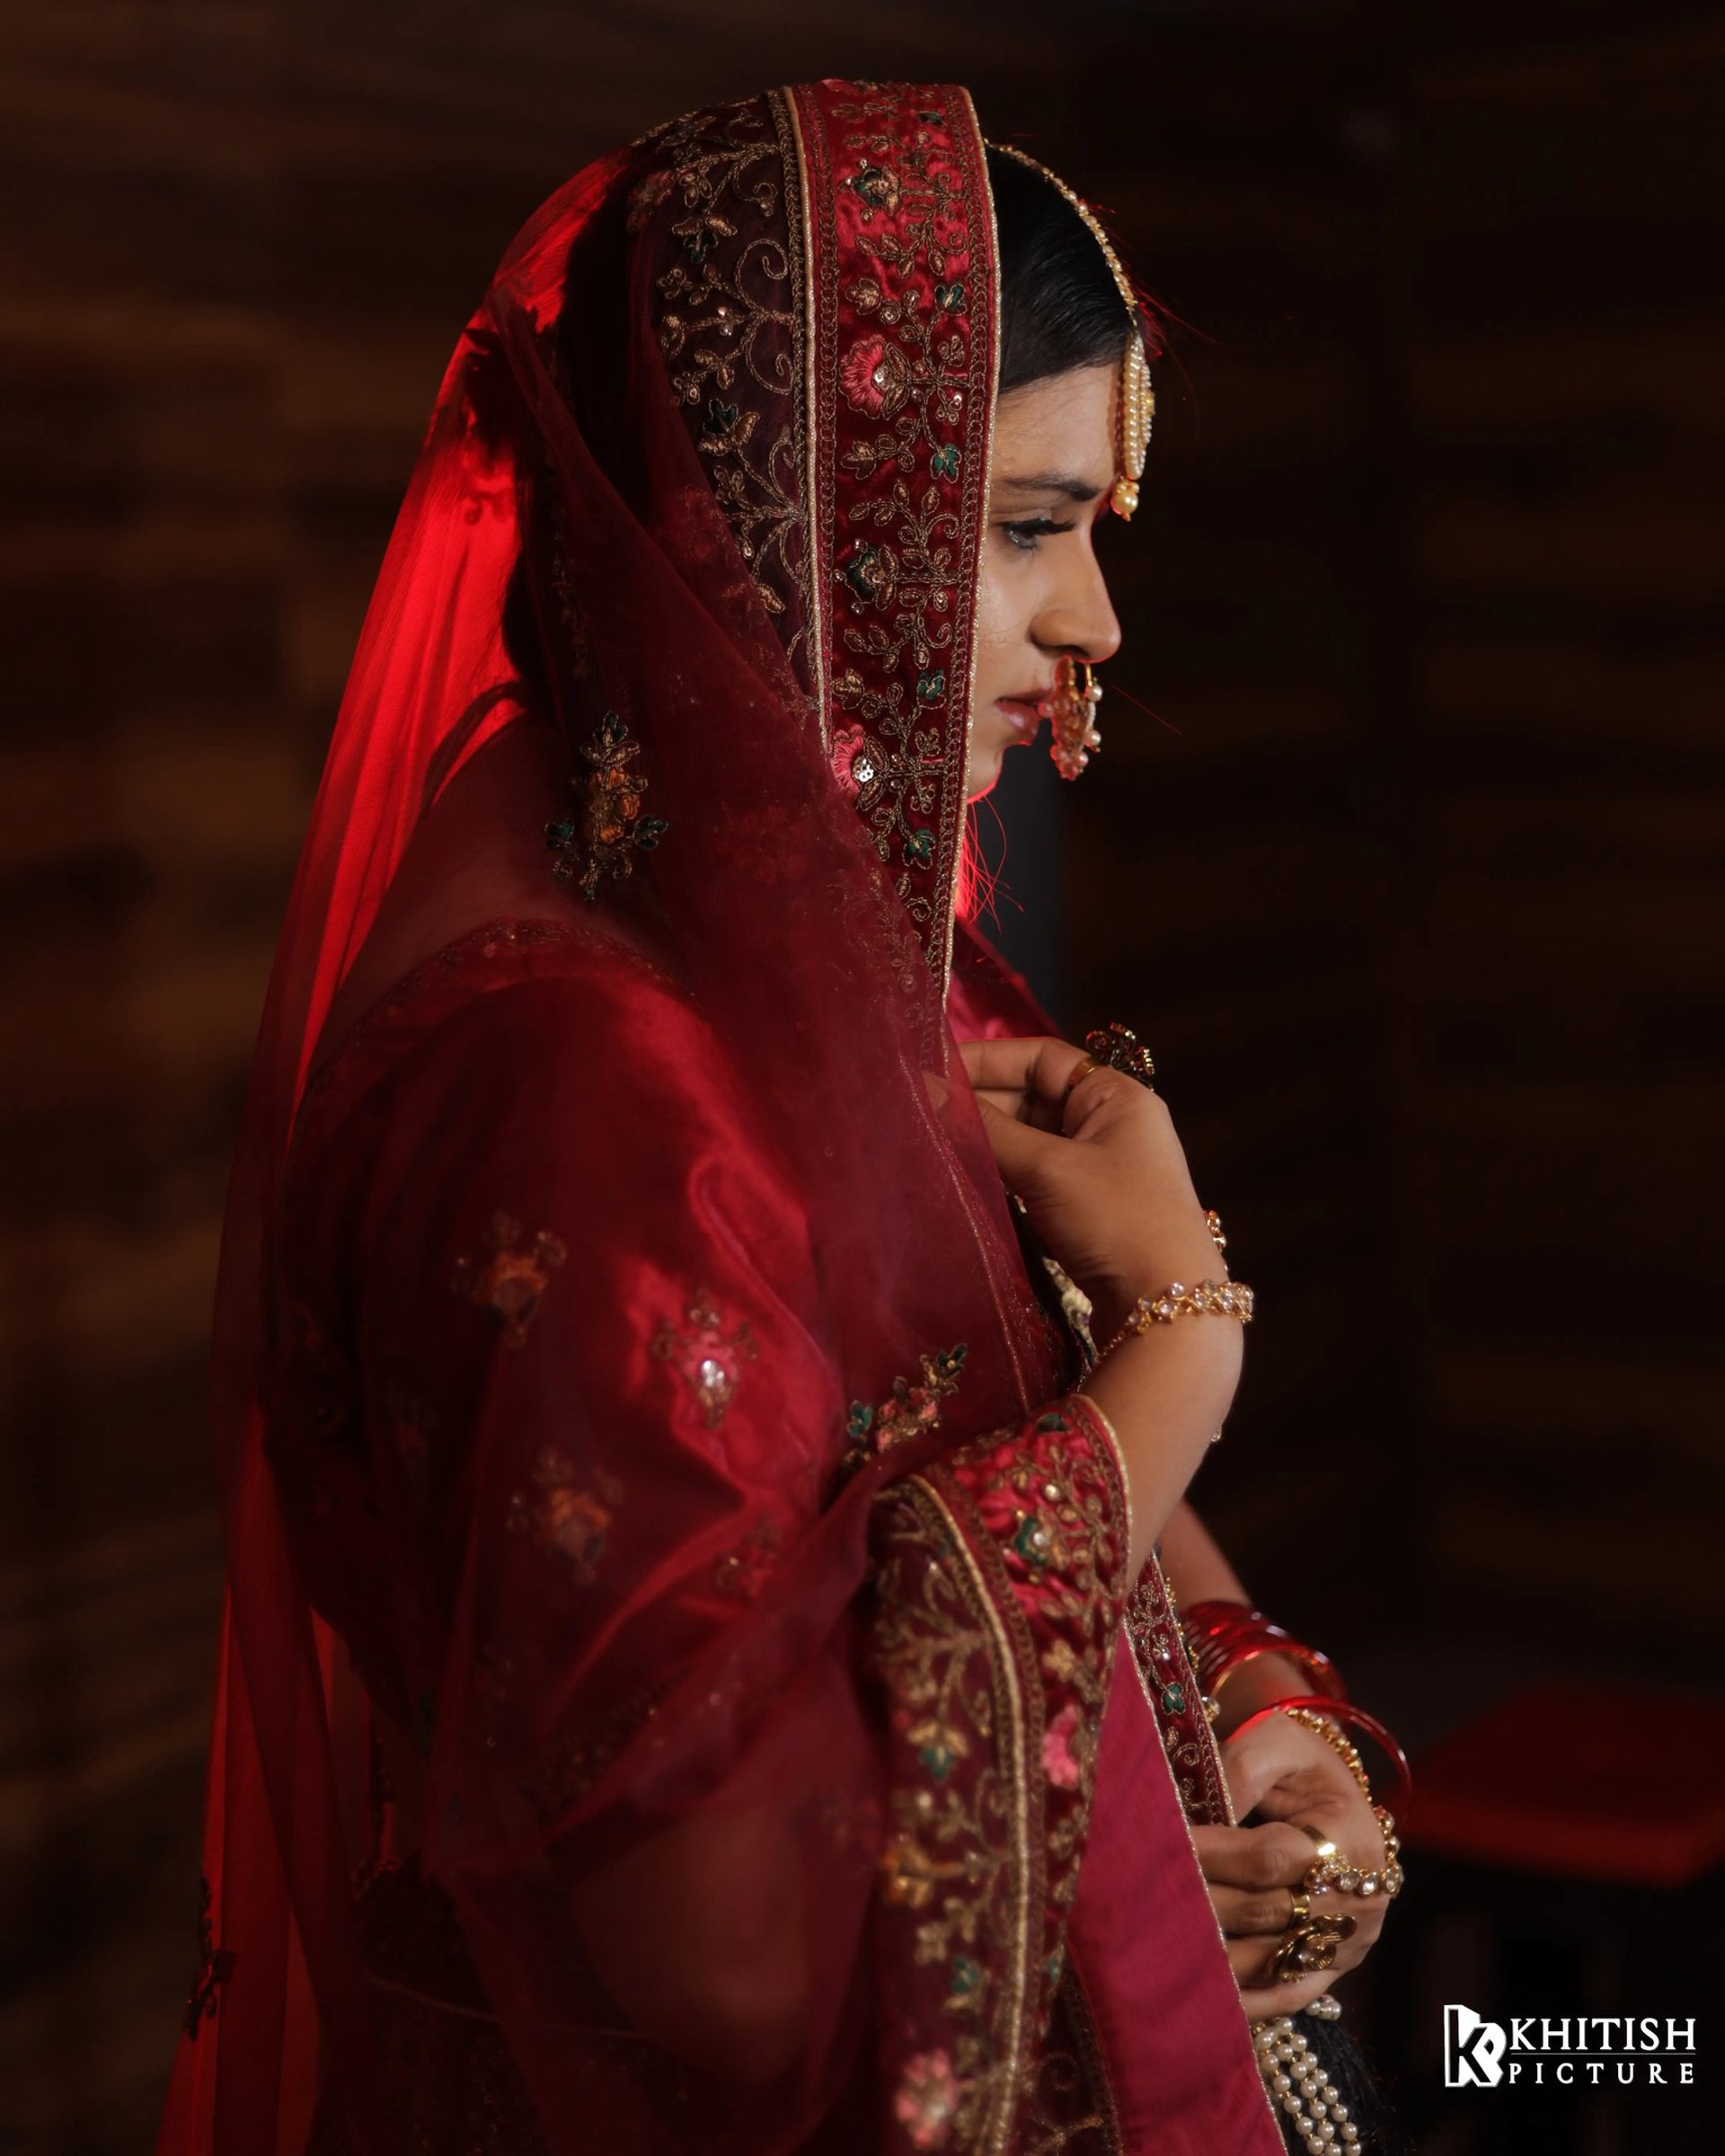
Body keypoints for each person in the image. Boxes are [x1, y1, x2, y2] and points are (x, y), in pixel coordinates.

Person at [156, 81, 1410, 2156]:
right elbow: (736, 1959)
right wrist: (1185, 1328)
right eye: (1021, 529)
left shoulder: (828, 927)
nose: (1094, 626)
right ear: (789, 522)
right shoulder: (563, 1081)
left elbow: (994, 1446)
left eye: (1094, 529)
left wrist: (1276, 1733)